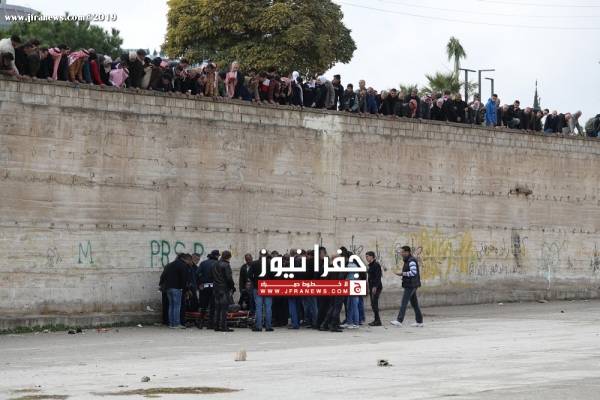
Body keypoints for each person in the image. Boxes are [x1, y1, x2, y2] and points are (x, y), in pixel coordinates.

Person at [390, 246, 424, 328]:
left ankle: (399, 320)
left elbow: (413, 272)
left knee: (404, 302)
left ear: (407, 252)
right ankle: (419, 321)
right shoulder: (408, 260)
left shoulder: (411, 261)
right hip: (411, 284)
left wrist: (402, 274)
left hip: (411, 285)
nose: (401, 253)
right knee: (414, 304)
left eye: (402, 252)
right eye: (401, 252)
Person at [159, 253, 190, 329]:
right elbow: (184, 278)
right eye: (189, 260)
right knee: (177, 306)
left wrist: (161, 285)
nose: (189, 262)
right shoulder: (183, 265)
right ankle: (176, 323)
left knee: (171, 306)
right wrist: (185, 289)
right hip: (177, 288)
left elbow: (162, 276)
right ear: (185, 259)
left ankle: (171, 324)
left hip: (168, 288)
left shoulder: (169, 265)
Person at [249, 250, 274, 331]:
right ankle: (268, 326)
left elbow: (249, 275)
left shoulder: (254, 263)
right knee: (268, 307)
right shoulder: (270, 263)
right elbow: (274, 275)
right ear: (266, 255)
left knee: (258, 307)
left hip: (257, 286)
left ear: (259, 254)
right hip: (268, 286)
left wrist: (255, 281)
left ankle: (258, 326)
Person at [212, 251, 236, 332]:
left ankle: (216, 326)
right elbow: (229, 278)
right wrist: (232, 287)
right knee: (224, 308)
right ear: (229, 257)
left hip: (216, 288)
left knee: (217, 308)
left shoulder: (215, 264)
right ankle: (223, 326)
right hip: (224, 288)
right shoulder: (226, 265)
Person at [197, 250, 219, 328]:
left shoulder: (203, 263)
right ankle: (210, 324)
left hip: (205, 287)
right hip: (215, 287)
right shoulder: (218, 263)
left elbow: (197, 274)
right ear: (216, 256)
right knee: (213, 306)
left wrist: (200, 283)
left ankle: (200, 322)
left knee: (203, 306)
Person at [366, 251, 383, 326]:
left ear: (372, 257)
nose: (366, 258)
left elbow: (378, 277)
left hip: (376, 287)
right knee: (373, 304)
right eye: (366, 257)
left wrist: (375, 286)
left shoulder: (376, 265)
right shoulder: (371, 265)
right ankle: (376, 320)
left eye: (367, 256)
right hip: (372, 287)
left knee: (374, 304)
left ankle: (378, 321)